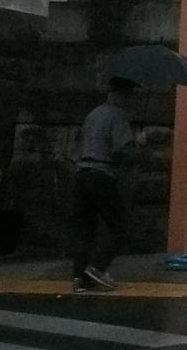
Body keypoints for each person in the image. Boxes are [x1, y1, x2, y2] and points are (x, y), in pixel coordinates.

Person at [71, 77, 143, 293]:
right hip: (102, 174)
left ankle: (80, 275)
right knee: (118, 225)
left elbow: (77, 145)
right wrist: (138, 144)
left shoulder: (93, 114)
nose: (130, 99)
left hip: (82, 173)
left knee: (84, 228)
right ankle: (98, 267)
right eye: (129, 94)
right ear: (122, 94)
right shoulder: (117, 116)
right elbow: (122, 150)